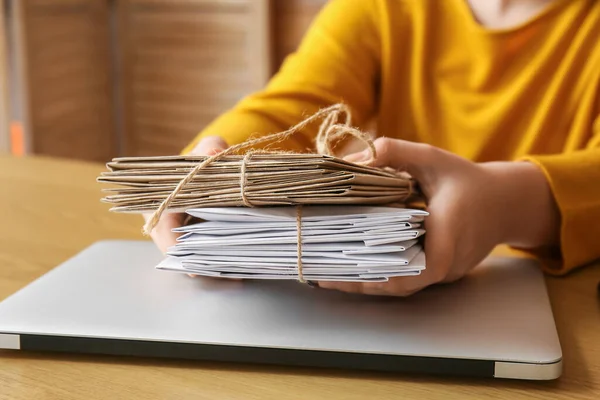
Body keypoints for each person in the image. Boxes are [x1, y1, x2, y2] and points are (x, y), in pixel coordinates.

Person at [146, 0, 600, 296]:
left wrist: (510, 205)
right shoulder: (380, 8)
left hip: (565, 299)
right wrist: (210, 161)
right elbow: (297, 104)